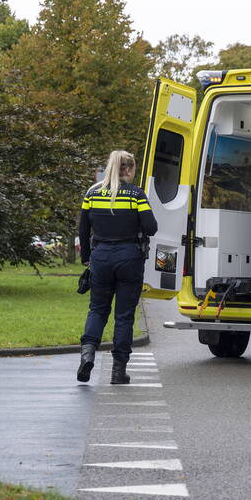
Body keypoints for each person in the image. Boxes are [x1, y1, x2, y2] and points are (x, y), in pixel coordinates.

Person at [77, 150, 157, 385]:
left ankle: (87, 354)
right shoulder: (136, 195)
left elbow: (83, 229)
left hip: (100, 257)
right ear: (129, 170)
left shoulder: (92, 193)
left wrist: (87, 258)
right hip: (129, 257)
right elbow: (151, 227)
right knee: (124, 316)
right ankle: (118, 371)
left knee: (97, 310)